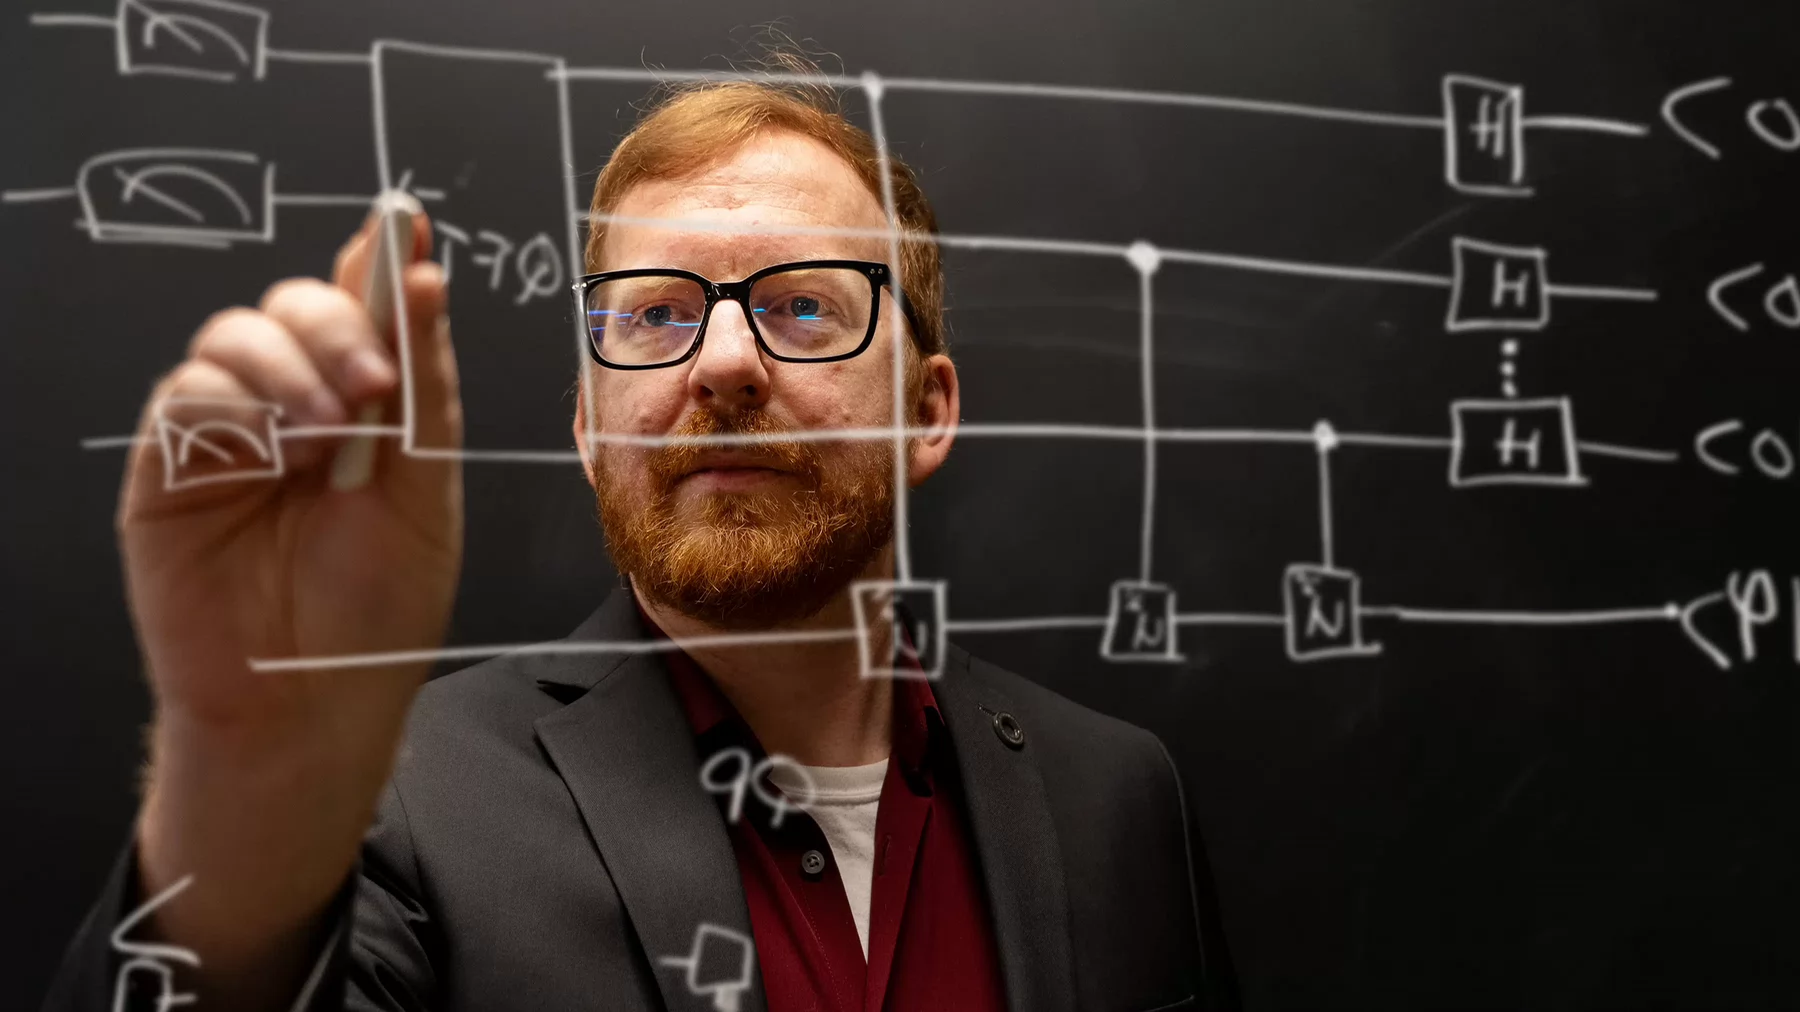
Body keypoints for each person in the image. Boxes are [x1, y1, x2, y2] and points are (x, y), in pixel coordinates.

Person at [45, 67, 1233, 1012]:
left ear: (927, 410)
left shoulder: (1116, 794)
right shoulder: (391, 806)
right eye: (657, 313)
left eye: (803, 304)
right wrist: (236, 788)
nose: (721, 364)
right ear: (586, 422)